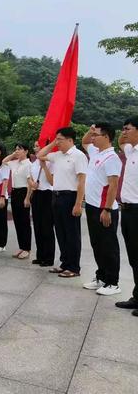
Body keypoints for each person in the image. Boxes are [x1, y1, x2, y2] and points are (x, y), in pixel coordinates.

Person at [38, 127, 88, 278]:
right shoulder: (57, 155)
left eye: (60, 139)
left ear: (70, 140)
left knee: (72, 233)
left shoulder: (78, 156)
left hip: (70, 197)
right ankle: (64, 263)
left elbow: (82, 181)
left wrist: (78, 203)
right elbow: (40, 155)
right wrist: (54, 142)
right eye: (57, 139)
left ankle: (74, 267)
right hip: (56, 196)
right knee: (60, 232)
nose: (57, 142)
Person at [82, 123, 122, 295]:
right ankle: (102, 277)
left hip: (104, 209)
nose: (92, 138)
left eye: (96, 135)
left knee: (109, 246)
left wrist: (106, 209)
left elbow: (113, 186)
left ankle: (113, 283)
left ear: (106, 137)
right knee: (97, 244)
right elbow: (84, 142)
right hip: (91, 206)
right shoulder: (95, 152)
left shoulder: (112, 158)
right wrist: (90, 130)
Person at [115, 116, 138, 316]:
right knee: (133, 257)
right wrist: (124, 136)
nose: (123, 132)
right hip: (128, 209)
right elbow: (121, 142)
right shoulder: (131, 150)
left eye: (127, 128)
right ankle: (137, 296)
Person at [27, 141, 55, 267]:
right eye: (35, 146)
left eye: (38, 146)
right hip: (36, 194)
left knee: (46, 227)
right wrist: (32, 183)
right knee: (37, 226)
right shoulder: (33, 163)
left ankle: (48, 258)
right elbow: (30, 178)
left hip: (47, 195)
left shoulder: (51, 162)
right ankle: (40, 255)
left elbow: (52, 181)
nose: (36, 148)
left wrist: (44, 166)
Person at [3, 144, 32, 259]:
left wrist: (27, 198)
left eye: (19, 149)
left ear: (26, 151)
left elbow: (30, 182)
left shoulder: (28, 164)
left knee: (25, 222)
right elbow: (4, 161)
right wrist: (13, 155)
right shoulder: (14, 163)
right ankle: (21, 246)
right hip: (14, 192)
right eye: (16, 149)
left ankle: (27, 248)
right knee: (17, 221)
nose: (17, 151)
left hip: (24, 192)